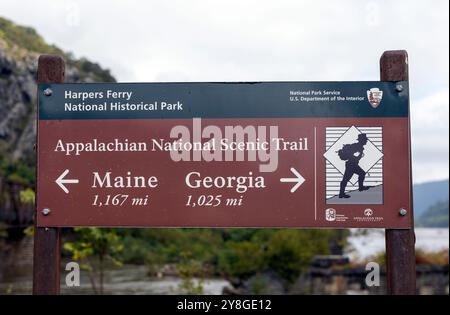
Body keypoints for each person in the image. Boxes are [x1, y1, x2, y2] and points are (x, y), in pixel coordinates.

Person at [339, 133, 370, 198]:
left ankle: (361, 188)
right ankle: (341, 194)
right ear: (362, 140)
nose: (366, 141)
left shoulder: (360, 146)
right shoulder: (356, 146)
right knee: (345, 179)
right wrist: (355, 157)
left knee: (362, 173)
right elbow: (350, 154)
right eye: (365, 140)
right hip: (351, 165)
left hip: (354, 164)